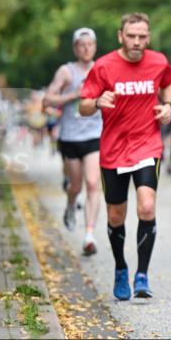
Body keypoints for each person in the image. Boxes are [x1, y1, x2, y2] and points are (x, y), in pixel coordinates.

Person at [79, 13, 171, 300]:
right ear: (121, 35)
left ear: (148, 36)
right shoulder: (104, 66)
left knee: (146, 208)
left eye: (142, 36)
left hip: (147, 144)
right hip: (113, 149)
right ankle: (121, 267)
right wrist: (97, 102)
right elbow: (83, 106)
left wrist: (168, 105)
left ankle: (142, 275)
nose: (137, 42)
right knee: (115, 215)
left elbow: (168, 82)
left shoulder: (158, 61)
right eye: (131, 36)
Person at [45, 28, 104, 256]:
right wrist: (74, 95)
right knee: (76, 186)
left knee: (92, 183)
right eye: (82, 45)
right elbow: (48, 98)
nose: (86, 48)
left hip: (95, 134)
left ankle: (89, 235)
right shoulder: (66, 72)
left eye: (90, 44)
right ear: (75, 48)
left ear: (95, 47)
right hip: (70, 136)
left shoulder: (103, 68)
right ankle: (71, 205)